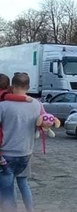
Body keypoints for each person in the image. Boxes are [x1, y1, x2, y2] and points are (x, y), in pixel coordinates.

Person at [0, 72, 42, 211]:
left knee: (7, 190)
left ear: (12, 86)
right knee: (24, 184)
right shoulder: (36, 104)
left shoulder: (3, 106)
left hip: (6, 155)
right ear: (28, 86)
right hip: (26, 152)